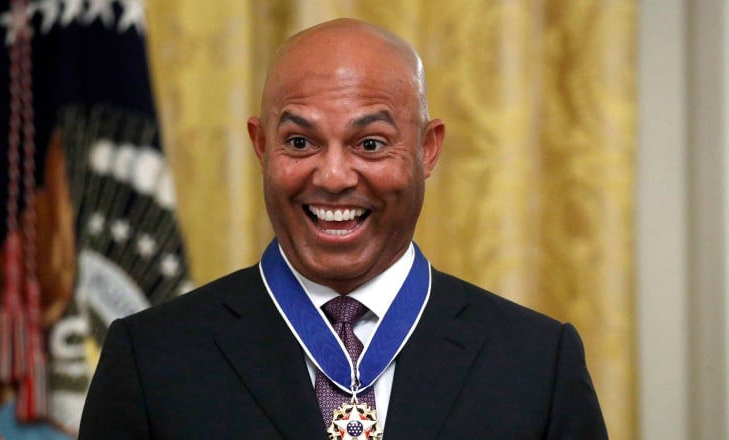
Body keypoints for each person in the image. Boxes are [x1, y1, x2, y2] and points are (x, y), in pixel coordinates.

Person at [79, 18, 607, 439]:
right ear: (261, 147)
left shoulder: (538, 364)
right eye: (301, 143)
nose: (332, 177)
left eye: (370, 144)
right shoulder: (150, 360)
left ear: (427, 149)